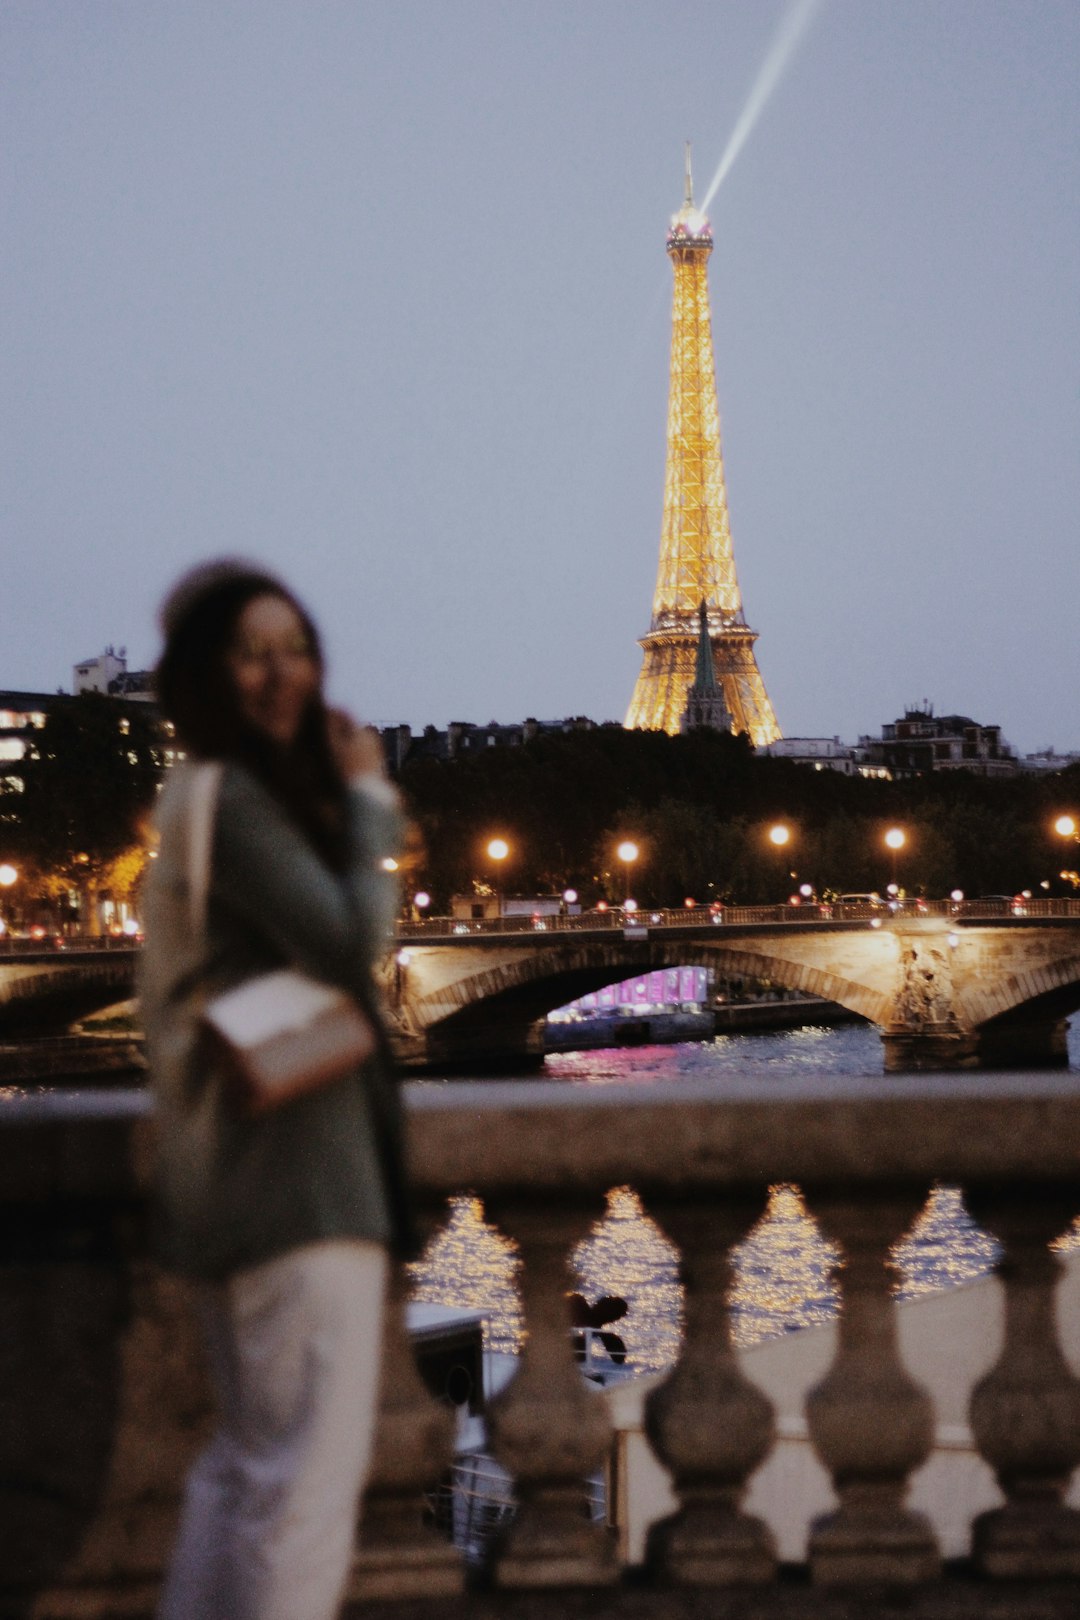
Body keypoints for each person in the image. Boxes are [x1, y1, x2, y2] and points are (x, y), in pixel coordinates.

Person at [139, 559, 413, 1620]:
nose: (279, 672)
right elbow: (350, 943)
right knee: (303, 1497)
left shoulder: (202, 797)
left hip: (237, 1179)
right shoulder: (236, 798)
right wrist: (372, 804)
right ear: (205, 672)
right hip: (296, 1188)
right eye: (251, 651)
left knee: (244, 1475)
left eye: (294, 647)